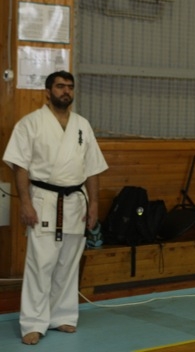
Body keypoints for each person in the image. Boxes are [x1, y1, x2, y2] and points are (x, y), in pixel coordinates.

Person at [3, 70, 108, 346]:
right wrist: (25, 203)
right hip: (44, 201)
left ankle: (62, 316)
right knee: (40, 264)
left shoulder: (82, 125)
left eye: (70, 87)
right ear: (48, 92)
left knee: (68, 264)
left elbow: (92, 169)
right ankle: (33, 323)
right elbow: (20, 167)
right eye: (60, 86)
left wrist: (94, 203)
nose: (66, 91)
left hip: (76, 202)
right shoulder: (30, 124)